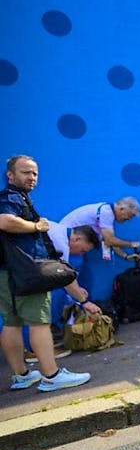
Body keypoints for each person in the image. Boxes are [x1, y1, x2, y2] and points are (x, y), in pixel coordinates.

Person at [1, 155, 91, 392]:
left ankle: (21, 375)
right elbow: (5, 221)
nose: (31, 177)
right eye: (25, 172)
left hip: (6, 272)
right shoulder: (12, 197)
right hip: (26, 271)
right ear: (10, 175)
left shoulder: (14, 197)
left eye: (35, 174)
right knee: (40, 323)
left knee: (11, 324)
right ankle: (51, 376)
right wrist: (36, 226)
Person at [60, 197, 140, 261]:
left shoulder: (106, 211)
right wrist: (131, 244)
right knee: (72, 269)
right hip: (67, 241)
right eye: (130, 215)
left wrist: (126, 256)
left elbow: (108, 241)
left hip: (68, 241)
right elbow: (110, 241)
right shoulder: (106, 213)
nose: (130, 219)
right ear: (121, 209)